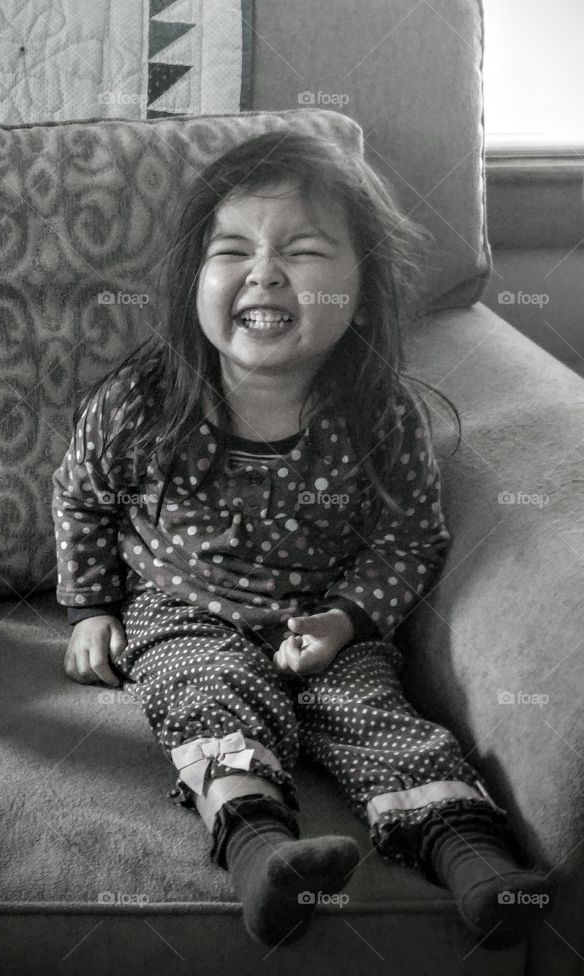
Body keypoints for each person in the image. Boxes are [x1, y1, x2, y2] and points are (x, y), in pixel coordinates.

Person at [51, 129, 556, 948]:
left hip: (319, 623)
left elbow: (409, 540)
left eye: (305, 250)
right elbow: (80, 495)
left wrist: (346, 621)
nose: (264, 271)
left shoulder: (379, 413)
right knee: (207, 694)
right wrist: (89, 608)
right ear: (193, 280)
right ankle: (260, 856)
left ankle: (478, 867)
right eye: (232, 250)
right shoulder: (141, 402)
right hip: (181, 615)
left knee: (376, 712)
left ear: (362, 286)